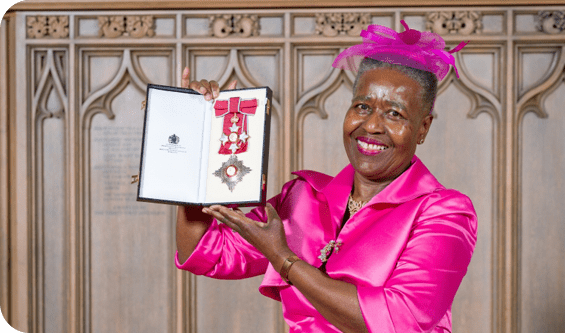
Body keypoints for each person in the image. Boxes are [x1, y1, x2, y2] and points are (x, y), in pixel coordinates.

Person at [175, 21, 477, 333]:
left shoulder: (445, 212)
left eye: (394, 114)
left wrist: (283, 259)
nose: (371, 126)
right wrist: (198, 144)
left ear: (423, 128)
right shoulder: (303, 196)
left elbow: (400, 322)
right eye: (362, 106)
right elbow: (206, 254)